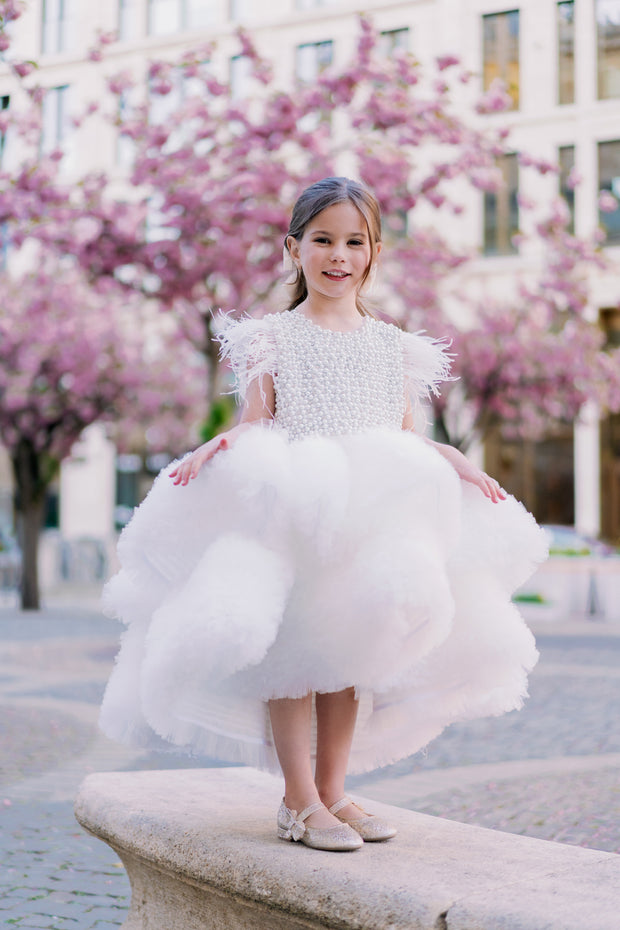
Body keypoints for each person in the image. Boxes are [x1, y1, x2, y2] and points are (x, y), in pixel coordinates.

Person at [100, 177, 547, 853]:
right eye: (323, 240)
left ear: (373, 253)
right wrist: (219, 445)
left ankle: (334, 789)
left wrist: (452, 459)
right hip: (300, 506)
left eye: (353, 242)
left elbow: (402, 433)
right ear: (294, 248)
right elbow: (257, 420)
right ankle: (297, 798)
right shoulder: (271, 339)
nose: (338, 255)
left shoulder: (393, 345)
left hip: (370, 515)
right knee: (297, 654)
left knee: (350, 654)